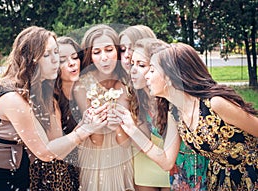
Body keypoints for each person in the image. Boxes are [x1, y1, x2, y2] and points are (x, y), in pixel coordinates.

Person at [0, 26, 107, 191]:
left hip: (23, 174)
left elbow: (56, 146)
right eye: (47, 55)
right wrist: (84, 131)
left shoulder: (44, 92)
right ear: (30, 59)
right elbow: (45, 152)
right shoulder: (13, 97)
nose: (55, 60)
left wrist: (85, 122)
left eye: (56, 52)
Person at [112, 42, 258, 190]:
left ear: (169, 76)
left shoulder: (215, 104)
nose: (147, 77)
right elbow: (166, 162)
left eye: (152, 70)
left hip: (252, 173)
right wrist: (131, 129)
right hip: (221, 180)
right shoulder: (175, 114)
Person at [73, 24, 134, 191]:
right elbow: (96, 139)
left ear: (117, 51)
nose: (104, 58)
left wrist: (118, 127)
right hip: (95, 153)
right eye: (96, 52)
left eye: (109, 50)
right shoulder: (82, 84)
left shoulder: (128, 80)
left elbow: (124, 141)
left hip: (123, 150)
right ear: (90, 56)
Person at [29, 36, 83, 190]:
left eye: (74, 57)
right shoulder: (50, 97)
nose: (72, 63)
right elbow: (55, 146)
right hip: (55, 169)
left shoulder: (86, 89)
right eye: (63, 60)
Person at [127, 37, 171, 191]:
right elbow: (142, 140)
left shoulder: (171, 99)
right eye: (132, 64)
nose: (133, 70)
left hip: (175, 163)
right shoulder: (138, 97)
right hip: (148, 158)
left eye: (141, 65)